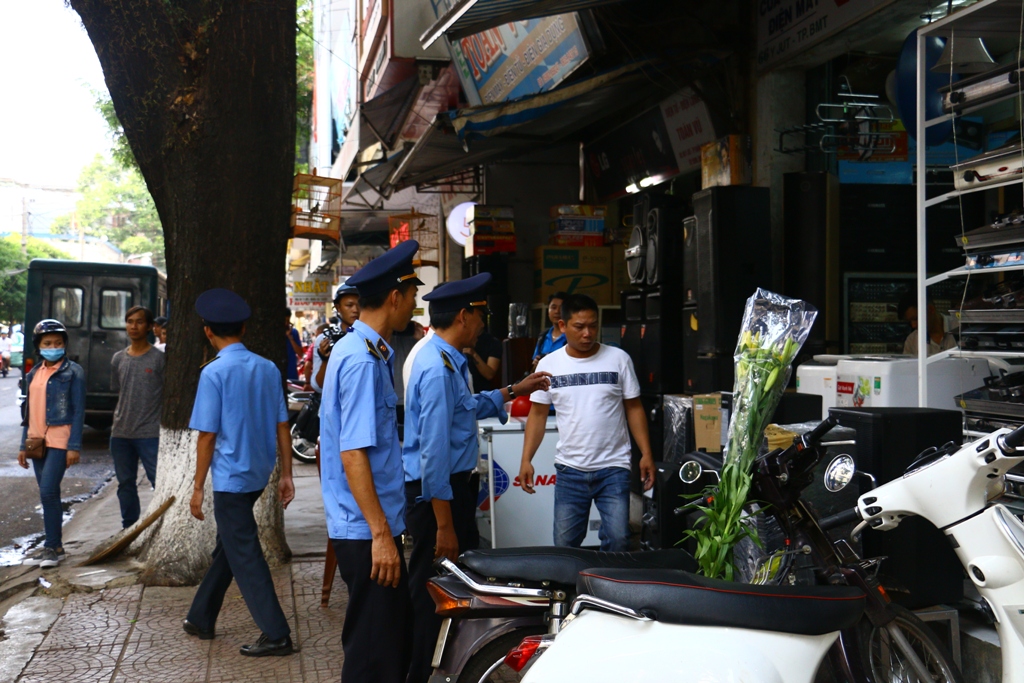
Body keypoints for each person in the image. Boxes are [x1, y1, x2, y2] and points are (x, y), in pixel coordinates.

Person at [403, 274, 551, 683]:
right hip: (439, 496)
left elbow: (465, 406)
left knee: (452, 589)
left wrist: (510, 389)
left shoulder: (448, 357)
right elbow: (433, 455)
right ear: (464, 316)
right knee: (434, 595)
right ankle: (419, 673)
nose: (484, 323)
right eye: (480, 314)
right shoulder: (436, 368)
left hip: (450, 492)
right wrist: (445, 525)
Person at [319, 241, 422, 683]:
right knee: (374, 654)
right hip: (366, 529)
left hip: (368, 523)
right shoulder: (361, 359)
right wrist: (381, 534)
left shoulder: (368, 351)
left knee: (385, 642)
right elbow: (353, 452)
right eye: (413, 295)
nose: (414, 305)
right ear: (395, 297)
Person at [183, 288, 296, 657]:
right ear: (243, 328)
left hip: (231, 480)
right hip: (258, 474)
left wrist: (198, 486)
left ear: (207, 331)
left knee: (244, 552)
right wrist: (286, 475)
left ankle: (276, 633)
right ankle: (200, 615)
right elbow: (283, 426)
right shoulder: (267, 367)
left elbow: (207, 436)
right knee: (231, 547)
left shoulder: (214, 373)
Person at [519, 294, 655, 551]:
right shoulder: (549, 365)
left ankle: (607, 590)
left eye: (593, 325)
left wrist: (646, 453)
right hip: (571, 470)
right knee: (565, 544)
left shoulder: (618, 359)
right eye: (579, 327)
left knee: (618, 540)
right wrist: (527, 459)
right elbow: (537, 415)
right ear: (562, 326)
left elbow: (634, 408)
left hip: (613, 468)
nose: (587, 333)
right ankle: (573, 590)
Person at [17, 319, 86, 568]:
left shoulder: (73, 372)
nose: (53, 346)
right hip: (36, 441)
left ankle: (51, 547)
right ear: (39, 346)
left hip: (59, 440)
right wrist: (23, 445)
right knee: (49, 494)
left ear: (65, 344)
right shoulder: (33, 373)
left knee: (48, 492)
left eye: (58, 342)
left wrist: (74, 446)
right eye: (47, 343)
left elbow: (78, 411)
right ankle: (56, 547)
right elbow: (28, 411)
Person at [110, 306, 164, 529]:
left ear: (150, 326)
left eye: (139, 321)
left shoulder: (159, 359)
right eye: (130, 321)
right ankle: (129, 528)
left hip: (150, 433)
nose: (134, 326)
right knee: (125, 484)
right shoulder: (118, 359)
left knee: (158, 482)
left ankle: (161, 526)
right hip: (121, 433)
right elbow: (118, 391)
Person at [312, 284, 360, 392]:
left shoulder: (371, 337)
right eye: (349, 305)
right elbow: (318, 385)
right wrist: (325, 360)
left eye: (359, 304)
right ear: (338, 308)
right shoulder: (325, 339)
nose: (355, 310)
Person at [532, 291, 568, 369]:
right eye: (553, 307)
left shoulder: (571, 336)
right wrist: (536, 364)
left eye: (561, 308)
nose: (557, 311)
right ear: (548, 310)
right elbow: (534, 364)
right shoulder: (543, 336)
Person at [285, 311, 303, 382]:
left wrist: (290, 337)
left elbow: (300, 353)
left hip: (291, 372)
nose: (286, 323)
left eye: (288, 321)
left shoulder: (294, 332)